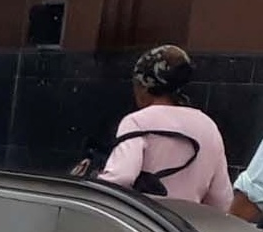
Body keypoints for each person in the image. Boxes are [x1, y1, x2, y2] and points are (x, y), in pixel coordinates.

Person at [87, 45, 233, 209]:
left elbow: (121, 178)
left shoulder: (137, 121)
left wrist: (90, 188)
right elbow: (222, 199)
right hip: (185, 230)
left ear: (144, 86)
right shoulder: (208, 126)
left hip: (143, 224)